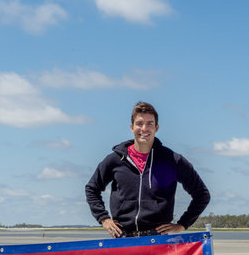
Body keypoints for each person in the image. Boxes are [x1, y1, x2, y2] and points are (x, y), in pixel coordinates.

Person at [85, 102, 210, 238]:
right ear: (132, 128)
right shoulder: (115, 160)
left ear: (156, 128)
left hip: (157, 240)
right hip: (123, 239)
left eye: (150, 123)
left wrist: (183, 224)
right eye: (139, 123)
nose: (144, 128)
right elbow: (92, 188)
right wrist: (104, 218)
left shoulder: (172, 160)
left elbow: (202, 195)